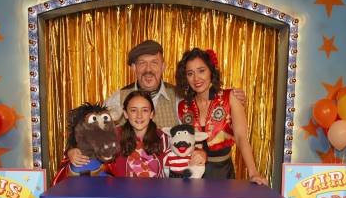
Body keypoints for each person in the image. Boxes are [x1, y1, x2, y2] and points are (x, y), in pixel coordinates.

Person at [67, 40, 245, 169]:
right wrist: (72, 150)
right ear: (133, 68)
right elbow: (92, 130)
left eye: (154, 63)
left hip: (171, 181)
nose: (148, 69)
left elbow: (208, 117)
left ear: (163, 67)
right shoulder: (118, 99)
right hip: (128, 182)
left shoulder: (179, 96)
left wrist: (233, 97)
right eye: (142, 63)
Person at [176, 48, 268, 185]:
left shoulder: (230, 97)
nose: (196, 78)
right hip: (192, 175)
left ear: (211, 71)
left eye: (201, 71)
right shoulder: (182, 106)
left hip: (222, 173)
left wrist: (253, 172)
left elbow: (241, 137)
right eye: (190, 73)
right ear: (185, 77)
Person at [108, 91, 168, 177]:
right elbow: (91, 146)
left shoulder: (163, 138)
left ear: (151, 114)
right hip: (122, 189)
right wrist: (81, 153)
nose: (139, 115)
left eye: (145, 110)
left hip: (156, 189)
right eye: (133, 110)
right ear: (125, 114)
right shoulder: (114, 135)